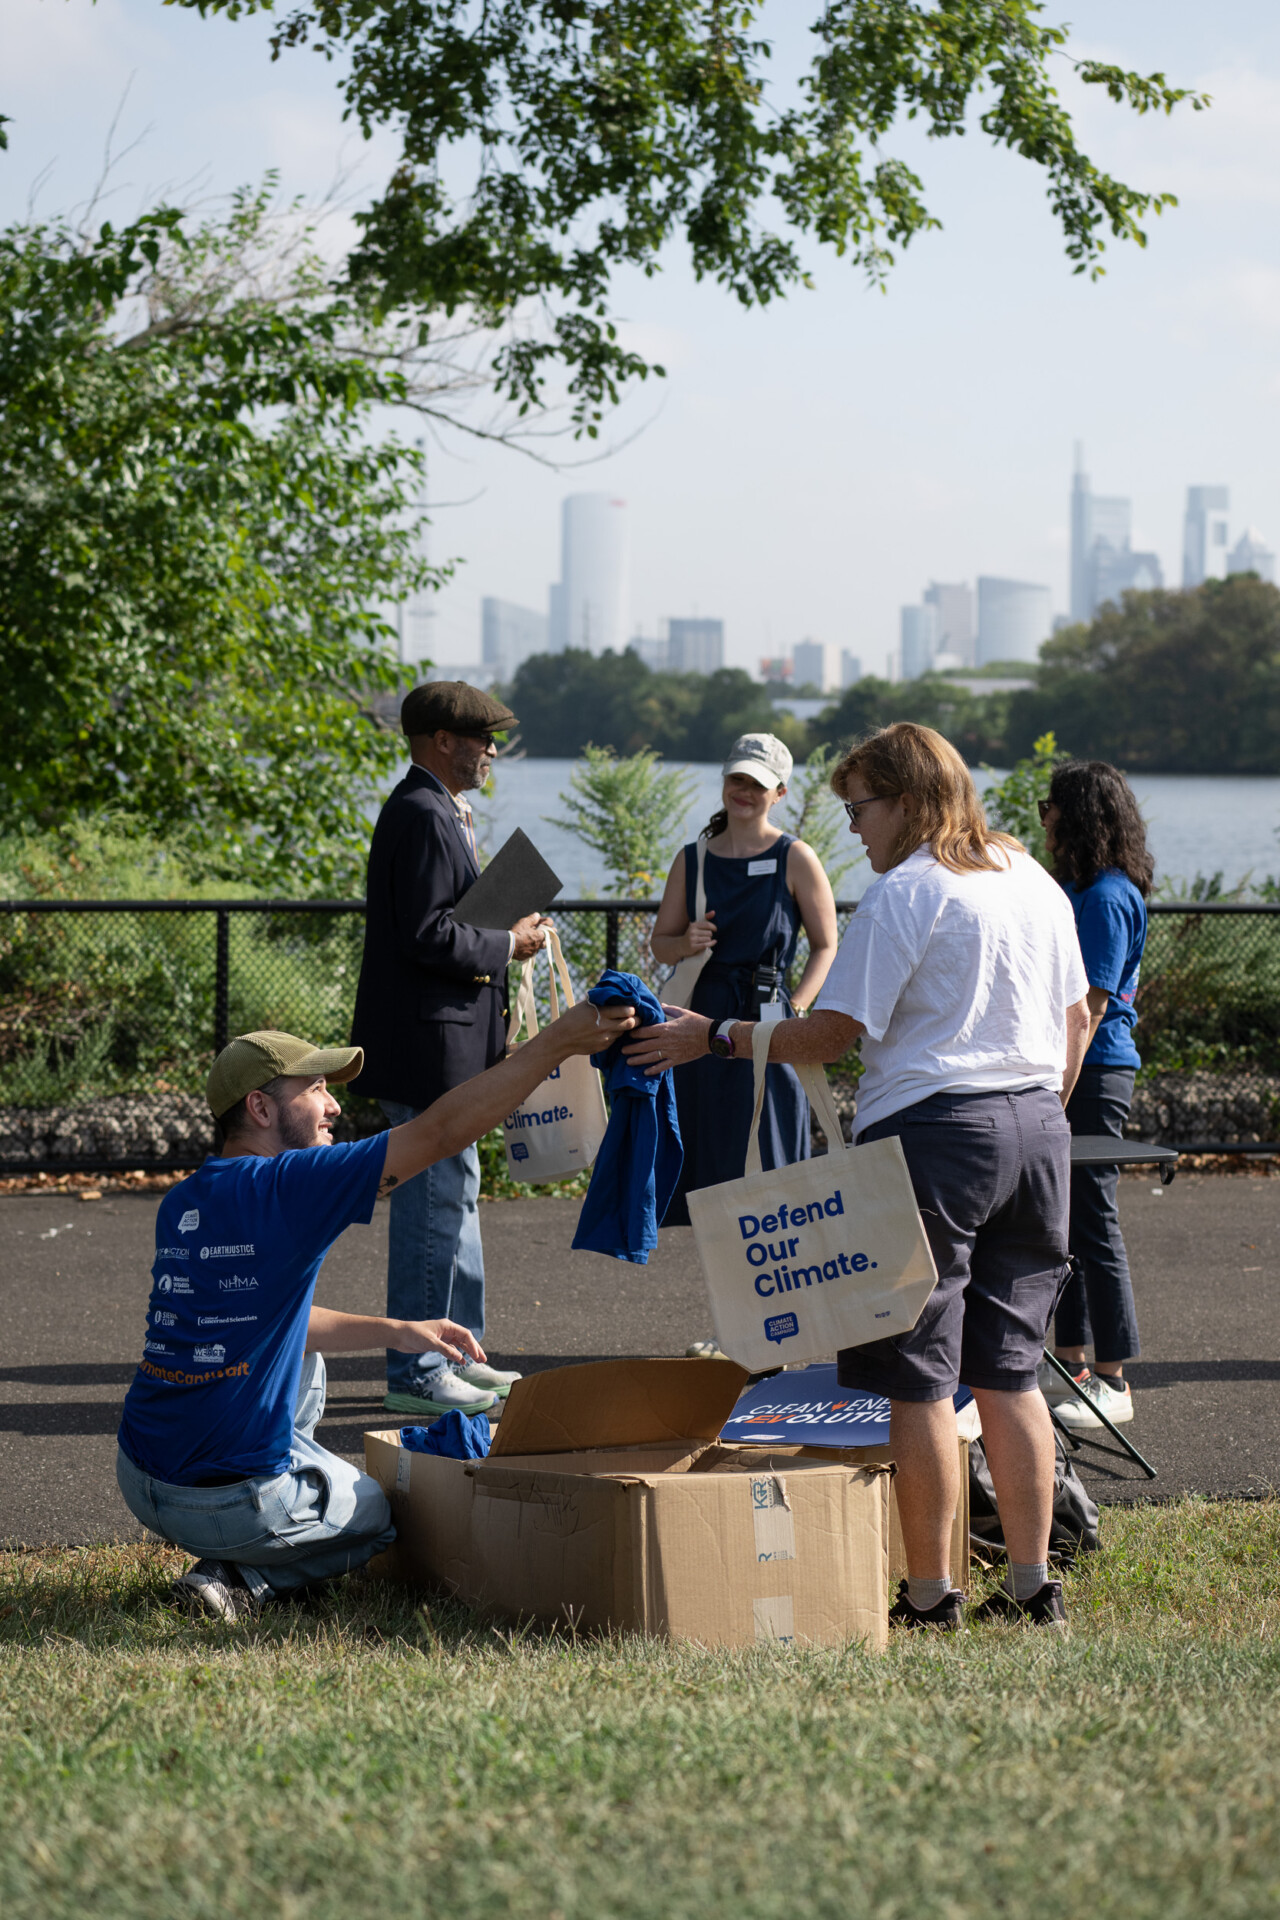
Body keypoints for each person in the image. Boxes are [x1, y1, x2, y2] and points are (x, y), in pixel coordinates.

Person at [626, 723, 1091, 1631]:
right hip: (1040, 1129)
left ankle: (929, 1595)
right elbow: (1076, 1019)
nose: (854, 832)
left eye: (861, 809)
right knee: (1011, 1372)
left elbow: (829, 1035)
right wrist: (1035, 1119)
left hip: (937, 1138)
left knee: (915, 1374)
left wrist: (713, 1035)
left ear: (910, 803)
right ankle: (1034, 1588)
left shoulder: (906, 894)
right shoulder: (1028, 876)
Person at [116, 1007, 635, 1620]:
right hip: (228, 1505)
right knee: (378, 1516)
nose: (332, 1105)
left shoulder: (185, 1199)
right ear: (260, 1109)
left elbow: (270, 1319)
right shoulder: (291, 1183)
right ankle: (238, 1579)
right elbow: (439, 1134)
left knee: (305, 1362)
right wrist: (557, 1043)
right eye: (315, 1089)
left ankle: (243, 1539)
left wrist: (400, 1330)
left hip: (141, 1476)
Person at [349, 681, 550, 1421]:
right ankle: (418, 1367)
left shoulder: (437, 810)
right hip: (433, 1045)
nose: (493, 749)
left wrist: (500, 930)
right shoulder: (425, 814)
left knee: (456, 1194)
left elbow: (433, 927)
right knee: (435, 1203)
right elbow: (428, 935)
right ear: (442, 740)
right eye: (483, 738)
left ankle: (460, 1353)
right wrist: (509, 941)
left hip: (449, 1044)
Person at [649, 732, 838, 1227]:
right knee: (705, 1167)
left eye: (758, 783)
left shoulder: (796, 857)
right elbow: (660, 944)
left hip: (768, 1018)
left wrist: (797, 1005)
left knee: (768, 1170)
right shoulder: (692, 858)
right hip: (699, 1018)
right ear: (725, 781)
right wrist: (686, 941)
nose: (745, 790)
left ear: (780, 793)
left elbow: (826, 945)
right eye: (738, 778)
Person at [1038, 760, 1152, 1430]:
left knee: (1095, 1221)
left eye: (1053, 804)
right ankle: (1074, 1365)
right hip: (1074, 1065)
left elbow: (1090, 1007)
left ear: (1079, 813)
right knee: (1066, 1220)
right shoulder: (1079, 887)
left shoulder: (1107, 897)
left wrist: (1058, 1091)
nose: (1045, 814)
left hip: (1094, 1069)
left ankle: (1114, 1378)